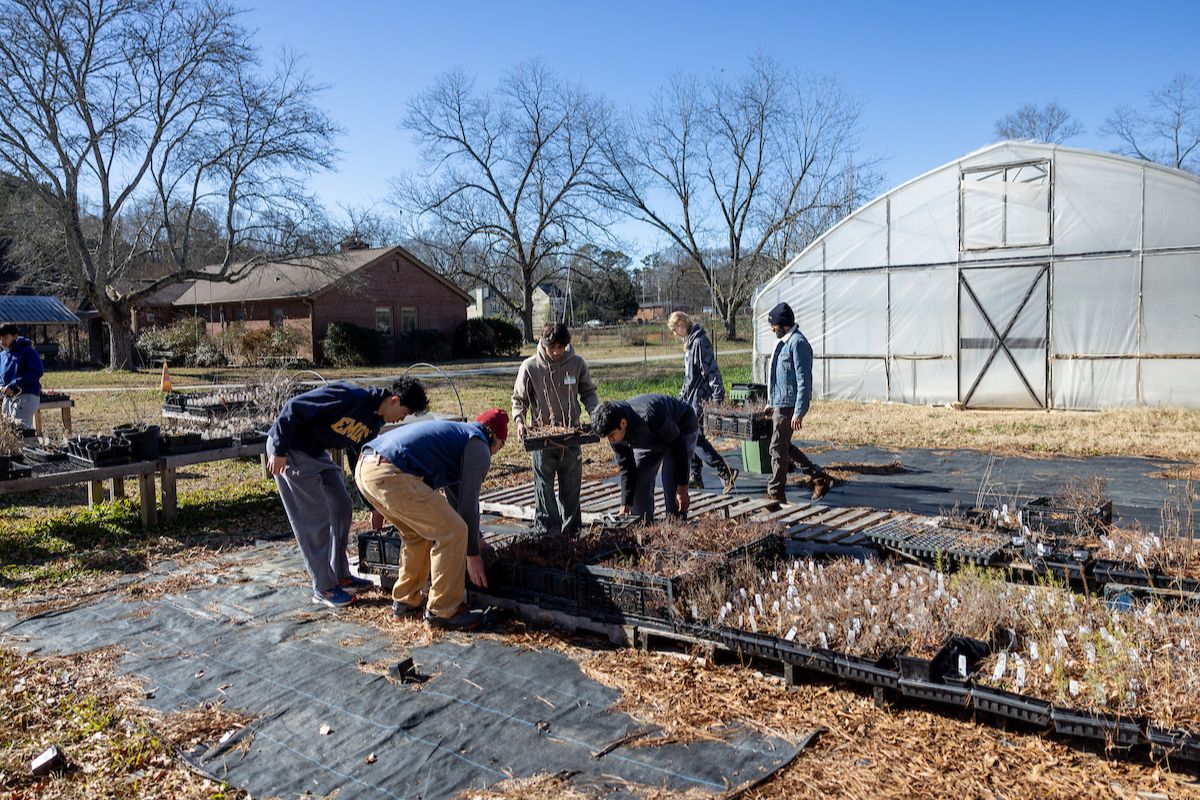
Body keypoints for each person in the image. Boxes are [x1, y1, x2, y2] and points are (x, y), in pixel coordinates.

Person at [267, 378, 429, 608]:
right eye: (404, 413)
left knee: (342, 506)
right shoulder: (350, 397)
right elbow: (294, 407)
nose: (402, 419)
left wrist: (372, 505)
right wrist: (279, 448)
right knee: (315, 517)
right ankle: (323, 587)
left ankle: (340, 572)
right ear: (394, 400)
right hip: (290, 449)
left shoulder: (373, 422)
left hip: (315, 452)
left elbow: (358, 459)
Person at [355, 409, 508, 630]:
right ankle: (443, 611)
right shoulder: (479, 446)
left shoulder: (458, 438)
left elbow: (458, 500)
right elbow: (468, 506)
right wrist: (472, 554)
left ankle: (405, 601)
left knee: (417, 534)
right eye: (500, 447)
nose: (495, 453)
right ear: (496, 438)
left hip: (367, 467)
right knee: (453, 533)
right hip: (392, 473)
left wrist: (478, 539)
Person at [512, 322, 599, 537]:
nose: (556, 352)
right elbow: (519, 399)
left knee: (571, 488)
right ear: (543, 343)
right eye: (552, 347)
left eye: (561, 347)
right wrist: (520, 421)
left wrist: (596, 413)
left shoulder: (577, 363)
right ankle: (548, 532)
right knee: (544, 487)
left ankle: (571, 532)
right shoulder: (530, 367)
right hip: (543, 439)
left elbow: (588, 392)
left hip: (571, 436)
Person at [591, 394, 698, 523]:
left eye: (611, 435)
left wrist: (682, 488)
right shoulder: (614, 429)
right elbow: (627, 469)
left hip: (680, 429)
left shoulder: (649, 414)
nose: (610, 440)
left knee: (672, 486)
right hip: (651, 437)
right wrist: (625, 504)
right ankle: (644, 527)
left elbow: (678, 445)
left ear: (623, 423)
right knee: (639, 484)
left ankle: (676, 529)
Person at [765, 302, 832, 504]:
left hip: (789, 405)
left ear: (783, 324)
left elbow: (804, 380)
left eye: (774, 325)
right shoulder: (783, 342)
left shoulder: (798, 344)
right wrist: (771, 401)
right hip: (779, 402)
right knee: (785, 446)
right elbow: (777, 377)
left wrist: (798, 411)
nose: (771, 329)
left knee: (777, 448)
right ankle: (819, 476)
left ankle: (776, 491)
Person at [668, 311, 738, 494]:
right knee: (689, 437)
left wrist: (717, 397)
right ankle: (695, 476)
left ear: (681, 325)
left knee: (696, 439)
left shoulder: (699, 343)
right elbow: (689, 377)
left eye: (674, 330)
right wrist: (681, 397)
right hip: (690, 399)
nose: (674, 334)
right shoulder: (691, 343)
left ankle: (725, 471)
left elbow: (712, 372)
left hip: (700, 399)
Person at [0, 324, 44, 430]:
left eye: (6, 338)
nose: (2, 342)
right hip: (8, 397)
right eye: (0, 339)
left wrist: (14, 384)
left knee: (21, 430)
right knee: (8, 430)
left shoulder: (27, 351)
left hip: (26, 395)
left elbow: (36, 371)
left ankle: (30, 446)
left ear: (14, 336)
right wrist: (1, 386)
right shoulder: (2, 355)